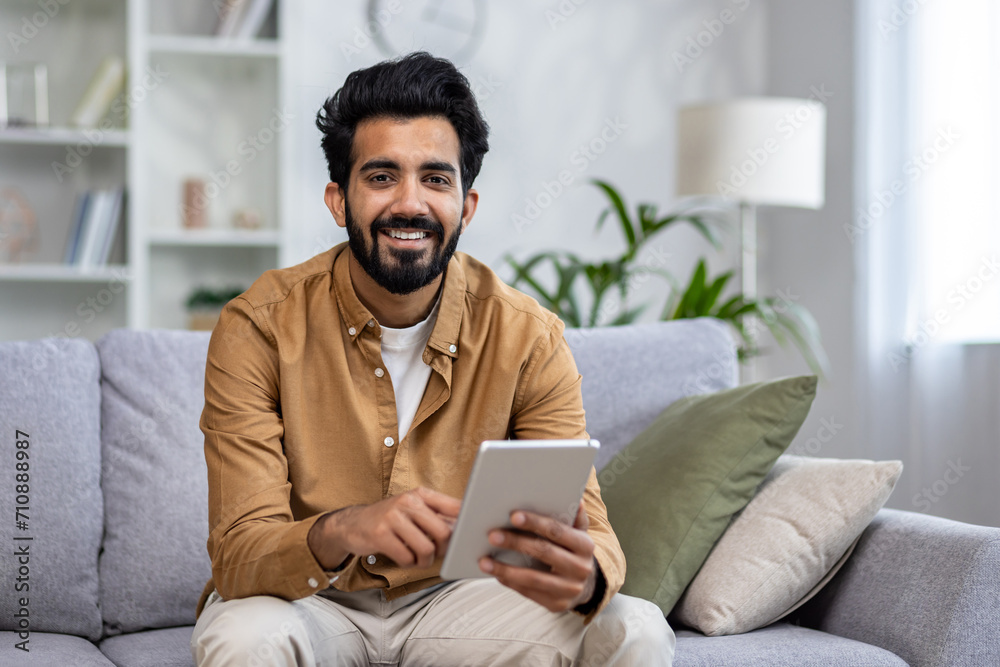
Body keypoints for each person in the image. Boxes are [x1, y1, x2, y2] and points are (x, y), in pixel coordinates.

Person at [191, 51, 674, 666]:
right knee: (243, 635)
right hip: (313, 600)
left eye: (436, 179)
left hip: (462, 603)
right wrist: (347, 528)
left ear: (466, 207)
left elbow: (597, 538)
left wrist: (586, 579)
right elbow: (238, 555)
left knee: (635, 627)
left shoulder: (529, 336)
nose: (410, 204)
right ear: (339, 201)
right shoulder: (256, 326)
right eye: (382, 176)